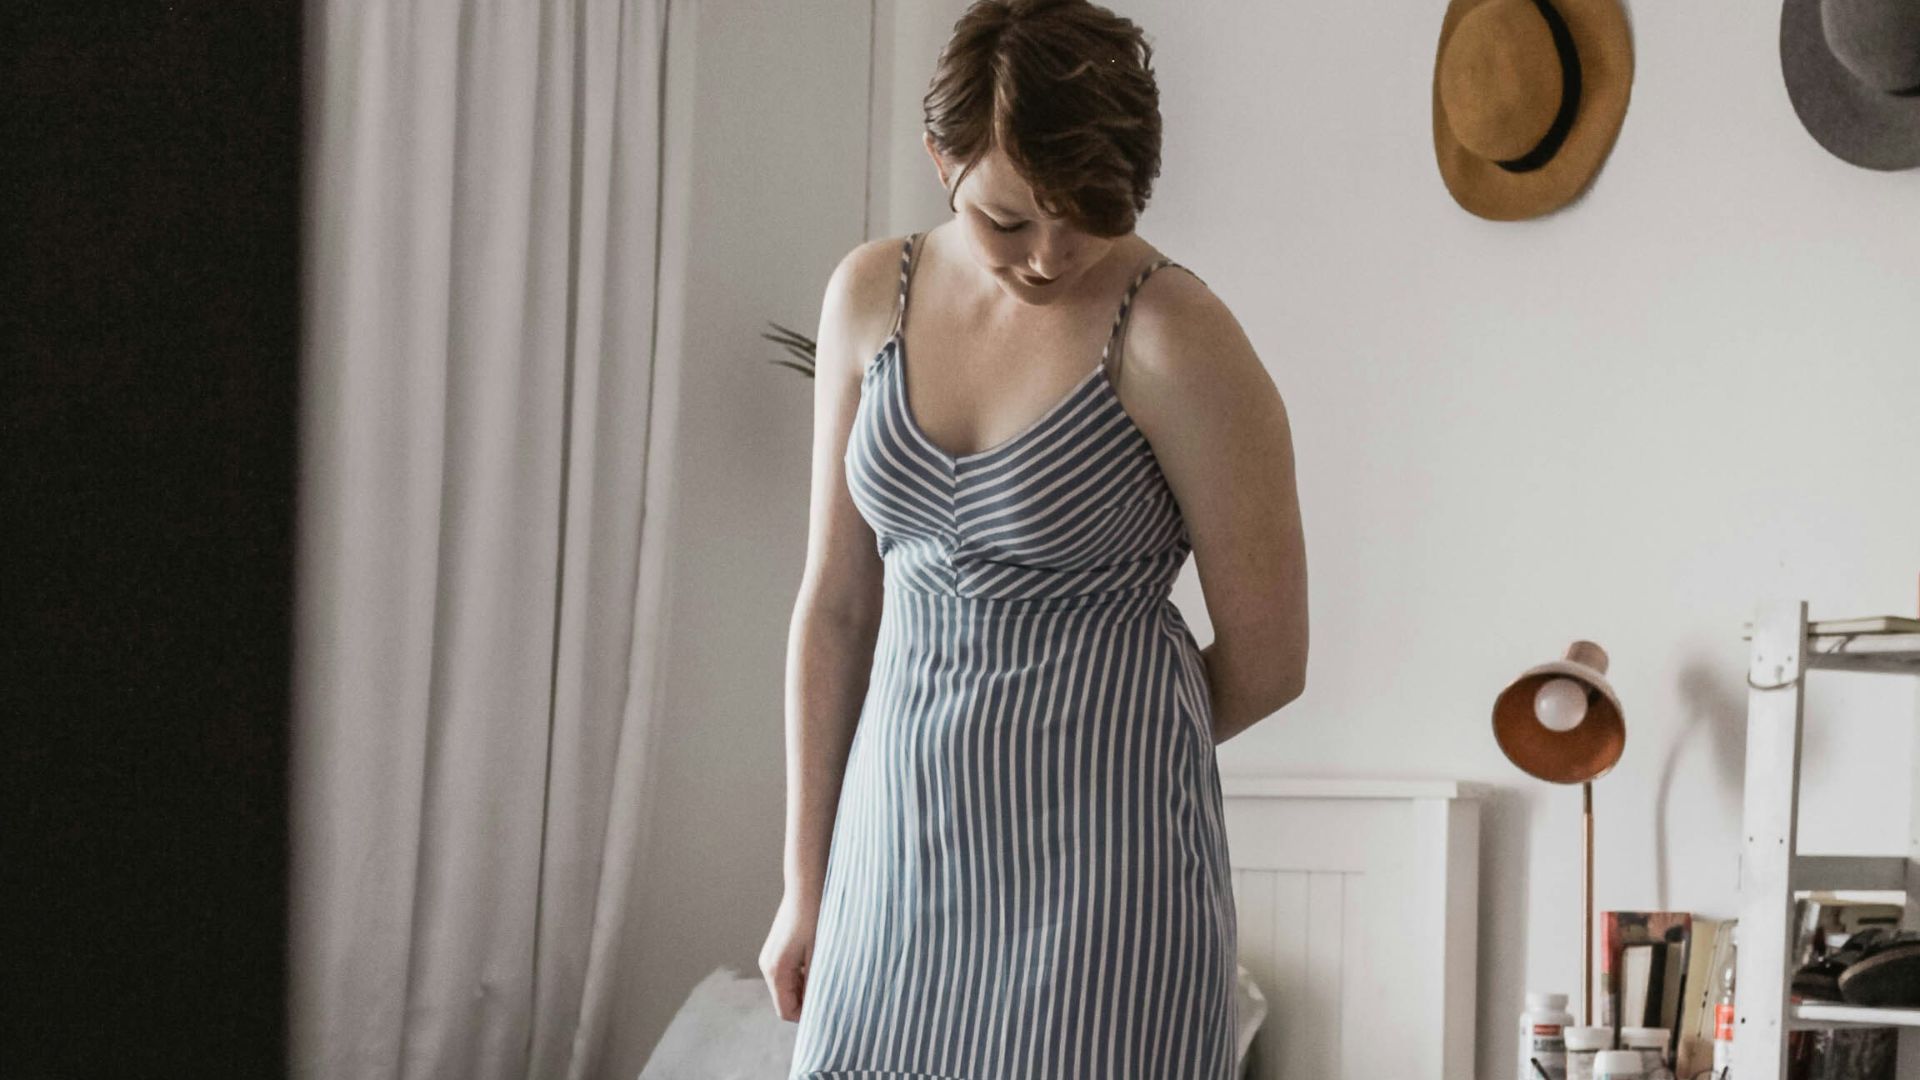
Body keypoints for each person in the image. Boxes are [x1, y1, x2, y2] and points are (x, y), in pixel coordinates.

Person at [761, 1, 1308, 1076]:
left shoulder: (1175, 334)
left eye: (1086, 215)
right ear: (941, 160)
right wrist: (804, 886)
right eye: (1008, 220)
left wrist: (1085, 745)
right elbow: (835, 603)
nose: (1051, 255)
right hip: (895, 855)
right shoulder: (870, 295)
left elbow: (1271, 661)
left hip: (1102, 882)